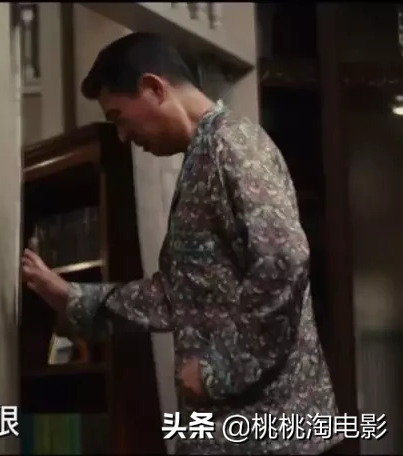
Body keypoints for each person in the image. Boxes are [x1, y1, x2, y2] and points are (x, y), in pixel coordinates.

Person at [20, 33, 340, 454]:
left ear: (154, 88)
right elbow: (180, 295)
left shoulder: (233, 147)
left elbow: (284, 260)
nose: (122, 135)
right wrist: (74, 299)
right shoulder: (202, 155)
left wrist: (220, 370)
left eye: (119, 117)